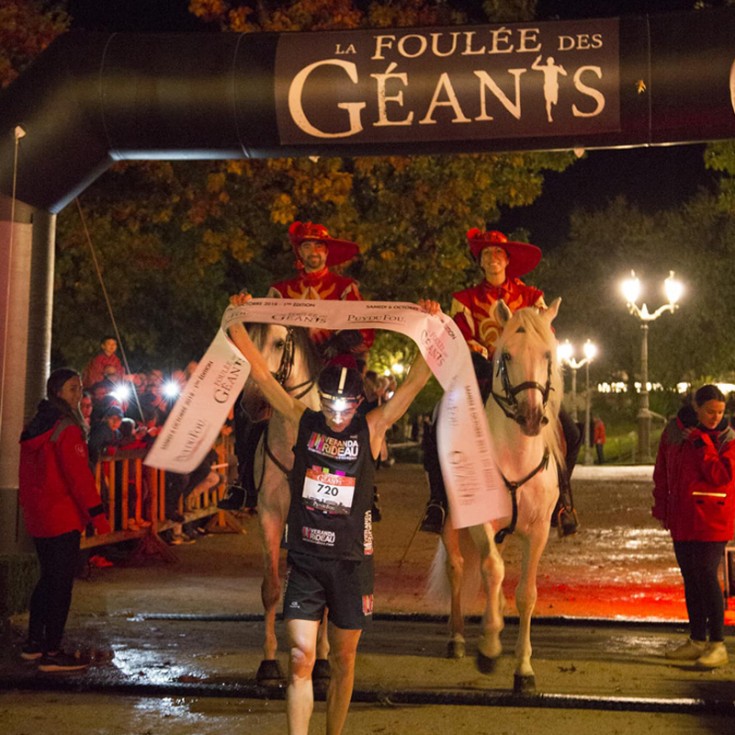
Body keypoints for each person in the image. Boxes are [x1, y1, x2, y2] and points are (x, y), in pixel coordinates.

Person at [227, 291, 439, 735]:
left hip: (351, 565)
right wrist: (238, 321)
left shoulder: (373, 427)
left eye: (345, 406)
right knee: (301, 658)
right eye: (328, 404)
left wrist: (431, 329)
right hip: (305, 559)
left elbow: (418, 382)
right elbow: (264, 376)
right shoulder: (302, 417)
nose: (336, 414)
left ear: (359, 404)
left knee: (342, 660)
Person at [420, 228, 582, 536]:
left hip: (525, 378)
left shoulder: (532, 298)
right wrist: (471, 345)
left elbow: (547, 336)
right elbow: (457, 336)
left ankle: (563, 501)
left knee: (571, 433)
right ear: (479, 262)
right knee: (438, 419)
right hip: (481, 374)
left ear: (507, 260)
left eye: (498, 254)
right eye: (485, 255)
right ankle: (438, 501)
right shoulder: (463, 299)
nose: (492, 259)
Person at [220, 220, 375, 511]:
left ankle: (369, 486)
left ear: (327, 252)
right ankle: (243, 480)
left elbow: (366, 332)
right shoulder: (280, 290)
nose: (313, 251)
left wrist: (340, 343)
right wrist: (245, 306)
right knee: (249, 404)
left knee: (362, 409)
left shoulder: (345, 288)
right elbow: (265, 329)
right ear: (299, 252)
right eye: (307, 245)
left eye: (319, 246)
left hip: (334, 367)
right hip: (288, 368)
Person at [18, 368, 112, 672]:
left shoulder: (35, 426)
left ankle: (34, 643)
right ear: (58, 392)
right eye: (73, 388)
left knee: (47, 578)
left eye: (80, 388)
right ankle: (52, 651)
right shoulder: (66, 429)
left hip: (39, 515)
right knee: (60, 585)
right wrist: (98, 515)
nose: (79, 394)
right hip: (62, 515)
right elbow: (78, 477)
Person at [653, 385, 735, 669]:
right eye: (710, 411)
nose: (715, 417)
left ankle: (717, 644)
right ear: (696, 408)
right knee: (691, 578)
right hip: (683, 518)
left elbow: (722, 476)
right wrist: (662, 507)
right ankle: (697, 639)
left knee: (707, 577)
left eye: (721, 412)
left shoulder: (726, 437)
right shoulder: (674, 432)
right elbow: (662, 471)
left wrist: (703, 445)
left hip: (713, 519)